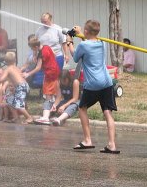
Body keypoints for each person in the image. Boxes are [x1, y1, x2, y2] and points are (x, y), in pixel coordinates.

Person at [67, 20, 120, 154]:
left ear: (85, 31)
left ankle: (87, 140)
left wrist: (70, 42)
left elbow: (75, 57)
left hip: (92, 84)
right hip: (107, 82)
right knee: (107, 112)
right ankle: (112, 145)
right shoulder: (102, 43)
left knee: (82, 108)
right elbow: (90, 41)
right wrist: (80, 34)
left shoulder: (84, 45)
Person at [24, 36, 60, 125]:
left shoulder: (41, 54)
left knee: (48, 95)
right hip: (55, 71)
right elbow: (54, 55)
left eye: (32, 49)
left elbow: (38, 67)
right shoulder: (47, 47)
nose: (32, 50)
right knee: (52, 94)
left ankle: (45, 117)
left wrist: (28, 74)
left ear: (36, 47)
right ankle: (50, 113)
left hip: (49, 74)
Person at [0, 52, 34, 124]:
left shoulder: (8, 69)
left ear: (5, 61)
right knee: (9, 101)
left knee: (18, 105)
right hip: (23, 86)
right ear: (15, 60)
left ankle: (29, 118)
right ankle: (16, 117)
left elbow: (1, 79)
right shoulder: (16, 68)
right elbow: (14, 78)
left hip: (21, 87)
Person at [32, 12, 68, 87]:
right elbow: (35, 44)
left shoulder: (57, 29)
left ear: (50, 19)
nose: (43, 23)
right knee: (45, 77)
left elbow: (64, 43)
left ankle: (57, 94)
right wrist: (34, 55)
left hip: (57, 56)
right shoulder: (39, 30)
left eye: (45, 21)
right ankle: (46, 94)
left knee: (56, 76)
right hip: (44, 58)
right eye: (42, 21)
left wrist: (66, 55)